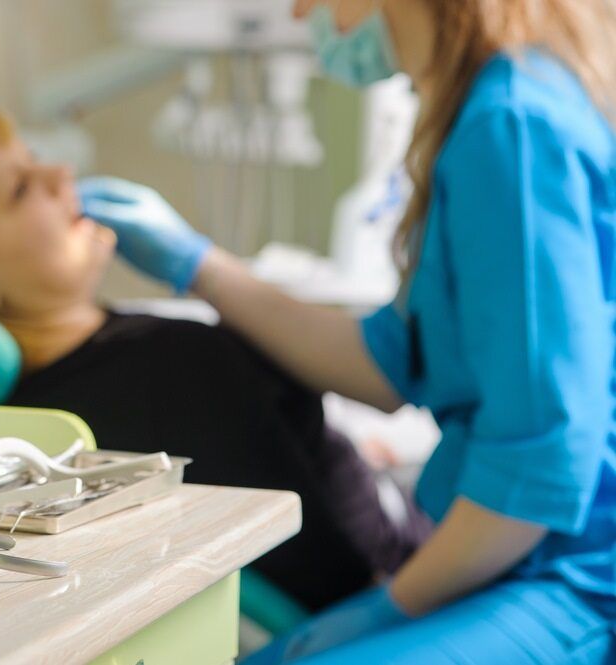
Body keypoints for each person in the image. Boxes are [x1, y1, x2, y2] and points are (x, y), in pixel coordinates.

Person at [79, 0, 616, 662]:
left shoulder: (510, 126)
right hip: (517, 554)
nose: (300, 12)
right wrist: (199, 265)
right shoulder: (491, 108)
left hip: (575, 573)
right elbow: (393, 360)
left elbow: (541, 466)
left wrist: (391, 606)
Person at [0, 106, 431, 613]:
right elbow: (336, 566)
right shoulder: (174, 368)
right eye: (20, 189)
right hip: (400, 588)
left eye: (36, 159)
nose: (61, 174)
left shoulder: (32, 415)